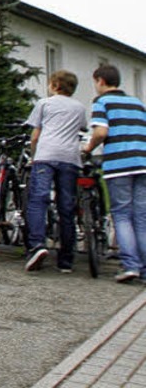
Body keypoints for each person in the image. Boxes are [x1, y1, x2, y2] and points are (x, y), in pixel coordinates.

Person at [85, 63, 146, 283]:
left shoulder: (103, 102)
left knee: (121, 214)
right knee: (141, 217)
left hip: (120, 164)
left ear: (100, 81)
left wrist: (88, 147)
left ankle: (131, 266)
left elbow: (101, 132)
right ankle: (145, 267)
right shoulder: (137, 103)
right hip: (143, 162)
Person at [22, 69, 86, 273]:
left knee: (38, 200)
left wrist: (33, 156)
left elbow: (35, 135)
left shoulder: (45, 103)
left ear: (55, 85)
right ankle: (66, 260)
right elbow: (82, 129)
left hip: (46, 156)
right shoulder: (79, 107)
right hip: (69, 158)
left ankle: (37, 246)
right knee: (66, 206)